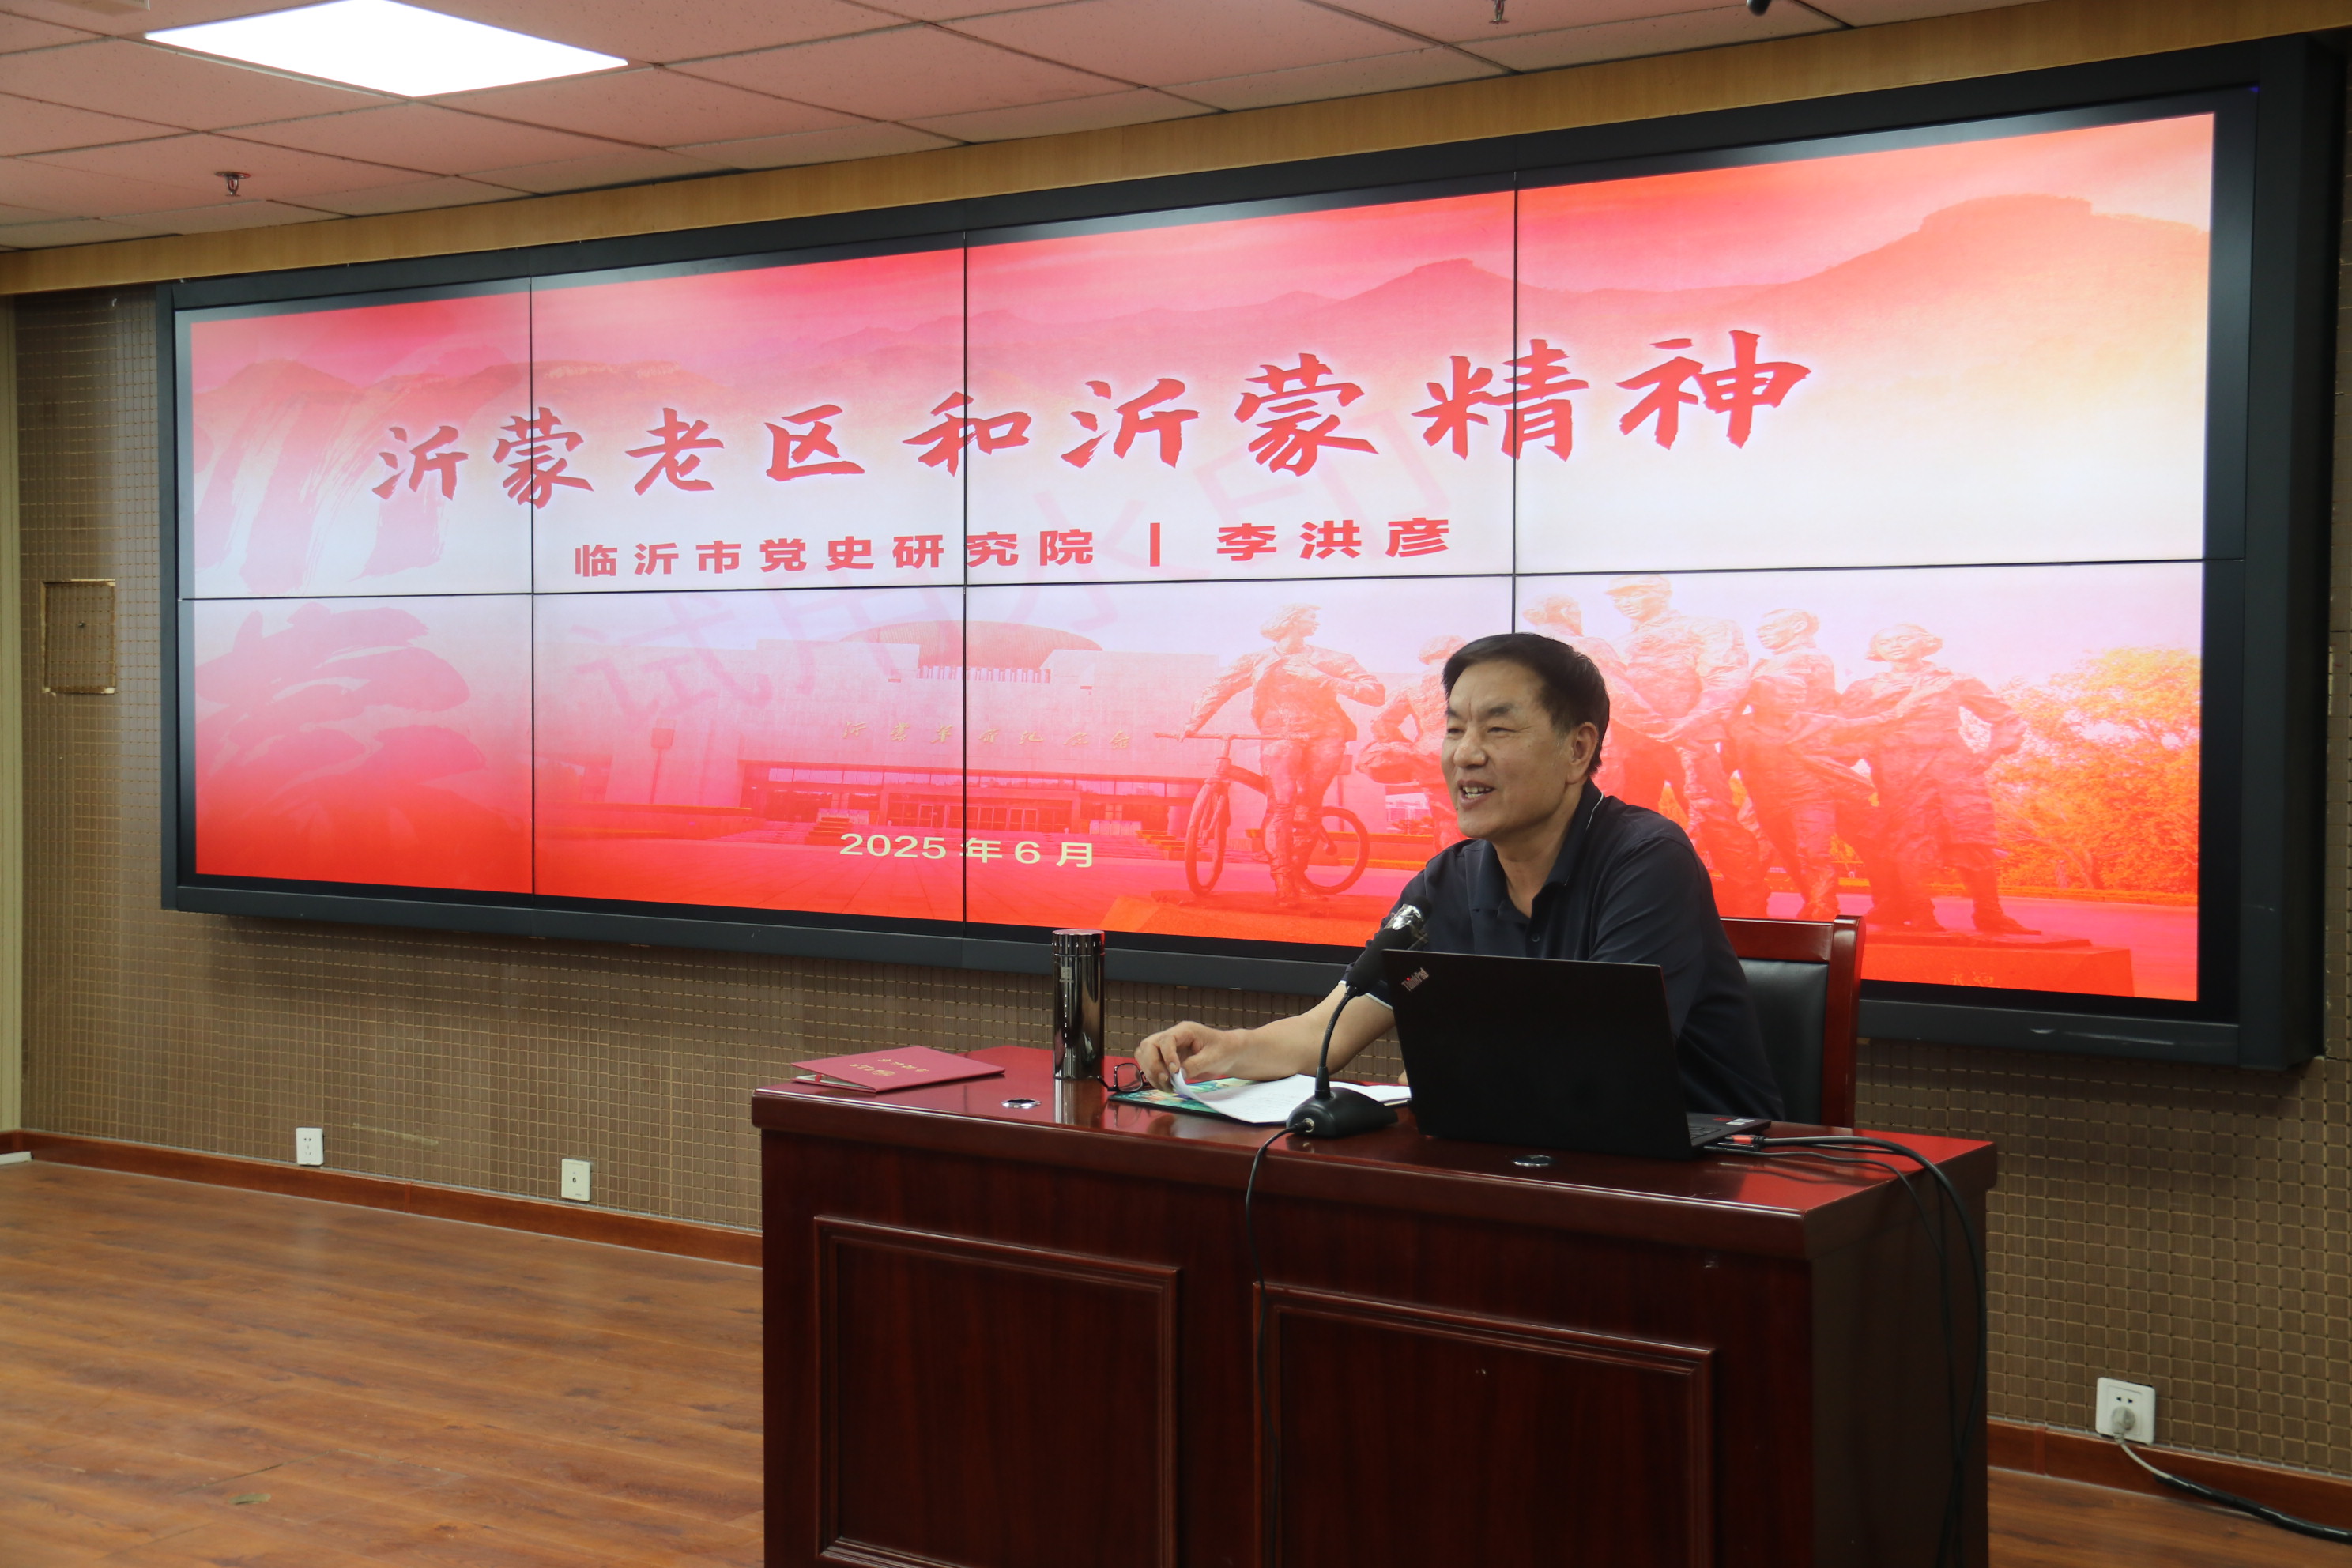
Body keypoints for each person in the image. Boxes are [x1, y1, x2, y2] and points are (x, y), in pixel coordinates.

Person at [1139, 631, 1785, 1120]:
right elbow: (1323, 1033)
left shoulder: (1646, 857)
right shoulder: (1448, 880)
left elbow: (1610, 1059)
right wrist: (1223, 1049)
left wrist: (1457, 1076)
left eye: (1498, 729)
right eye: (1454, 729)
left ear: (1578, 749)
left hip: (1708, 1172)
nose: (1465, 754)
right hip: (1533, 1155)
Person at [1839, 623, 2035, 935]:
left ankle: (1990, 913)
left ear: (1925, 643)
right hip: (1899, 768)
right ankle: (1921, 914)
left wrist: (1990, 754)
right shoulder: (1864, 689)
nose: (1896, 645)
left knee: (1973, 835)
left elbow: (2006, 718)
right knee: (1909, 838)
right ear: (1876, 651)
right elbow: (1845, 730)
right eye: (1886, 642)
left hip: (1953, 767)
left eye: (1904, 638)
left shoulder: (1954, 681)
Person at [1183, 604, 1385, 906]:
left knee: (1308, 807)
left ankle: (1298, 876)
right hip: (1279, 732)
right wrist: (1193, 723)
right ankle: (1283, 880)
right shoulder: (1256, 660)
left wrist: (1323, 678)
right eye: (1310, 617)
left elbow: (1375, 693)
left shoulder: (1330, 659)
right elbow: (1218, 689)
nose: (1316, 622)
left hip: (1325, 734)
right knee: (1281, 805)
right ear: (1290, 622)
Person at [1602, 575, 1771, 917]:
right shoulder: (1615, 644)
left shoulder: (1705, 628)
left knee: (1714, 818)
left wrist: (1693, 722)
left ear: (1663, 593)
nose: (1626, 602)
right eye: (1619, 598)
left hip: (1689, 741)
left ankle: (1749, 903)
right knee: (1627, 826)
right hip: (1633, 748)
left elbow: (1726, 677)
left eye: (1636, 593)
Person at [1362, 634, 1466, 849]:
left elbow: (1381, 721)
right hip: (1469, 754)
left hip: (1430, 756)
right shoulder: (1470, 682)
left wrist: (1405, 746)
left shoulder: (1409, 685)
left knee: (1445, 818)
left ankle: (1448, 867)